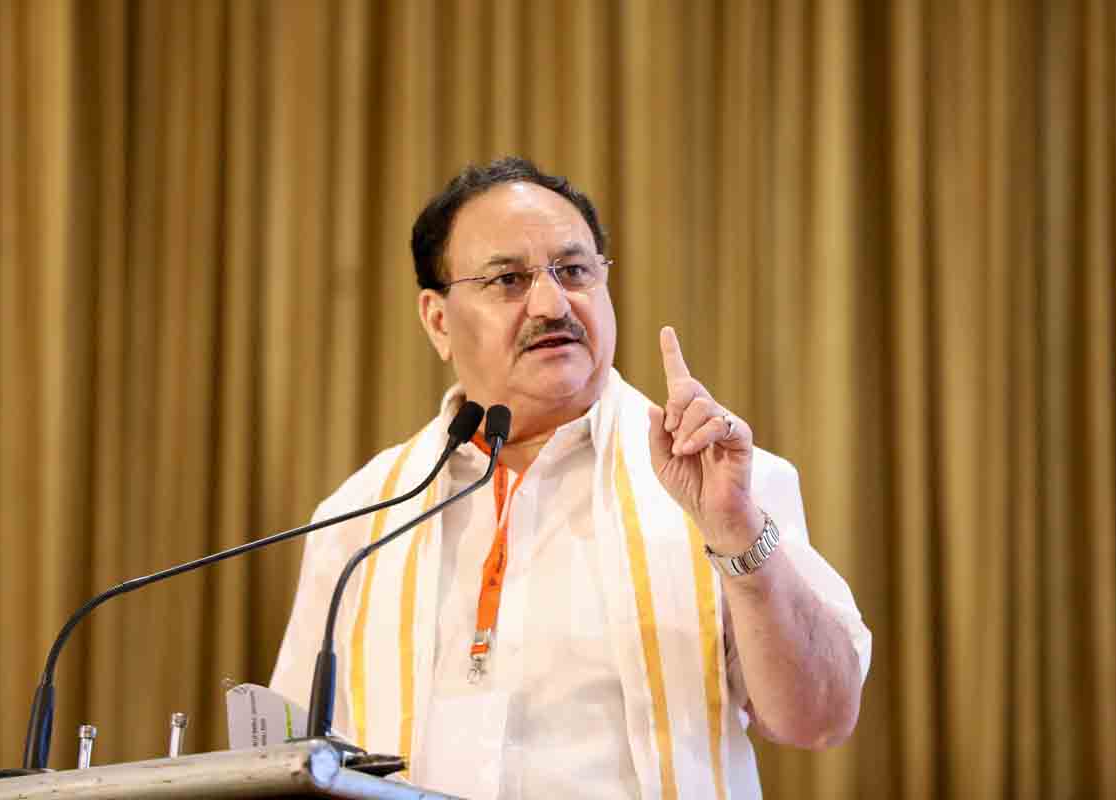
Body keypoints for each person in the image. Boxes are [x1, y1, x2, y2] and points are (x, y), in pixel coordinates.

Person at [271, 157, 871, 799]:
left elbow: (822, 719)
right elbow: (291, 759)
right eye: (508, 279)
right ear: (438, 320)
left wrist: (737, 534)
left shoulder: (721, 484)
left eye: (574, 270)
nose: (552, 303)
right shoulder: (364, 513)